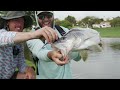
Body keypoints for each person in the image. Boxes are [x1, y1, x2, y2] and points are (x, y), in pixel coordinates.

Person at [0, 11, 59, 79]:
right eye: (15, 20)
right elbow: (7, 37)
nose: (19, 24)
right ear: (8, 22)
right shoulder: (2, 34)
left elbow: (21, 64)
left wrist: (29, 69)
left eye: (22, 21)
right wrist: (34, 34)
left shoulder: (19, 44)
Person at [27, 11, 81, 79]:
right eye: (41, 16)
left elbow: (78, 57)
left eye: (49, 15)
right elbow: (40, 52)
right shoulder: (32, 35)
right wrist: (51, 55)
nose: (46, 19)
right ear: (36, 17)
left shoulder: (64, 31)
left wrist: (72, 51)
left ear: (53, 16)